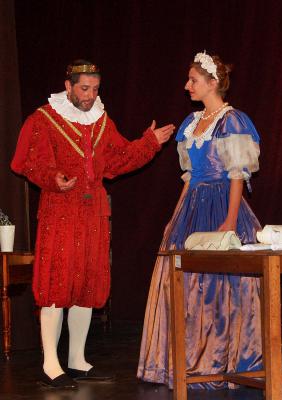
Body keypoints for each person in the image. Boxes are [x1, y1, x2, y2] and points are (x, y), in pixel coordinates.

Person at [11, 60, 175, 389]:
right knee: (57, 283)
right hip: (60, 211)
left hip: (93, 214)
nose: (90, 95)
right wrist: (54, 178)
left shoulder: (101, 121)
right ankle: (50, 364)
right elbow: (28, 161)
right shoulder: (44, 119)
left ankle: (76, 360)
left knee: (87, 284)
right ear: (68, 86)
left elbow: (118, 158)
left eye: (95, 89)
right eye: (84, 88)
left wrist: (149, 142)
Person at [137, 51, 263, 389]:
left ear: (212, 83)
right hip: (193, 207)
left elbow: (237, 175)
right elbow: (190, 176)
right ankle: (185, 360)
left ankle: (220, 361)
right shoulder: (192, 123)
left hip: (222, 203)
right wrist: (174, 216)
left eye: (193, 80)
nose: (187, 86)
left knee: (220, 287)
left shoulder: (232, 120)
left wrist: (231, 220)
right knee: (183, 284)